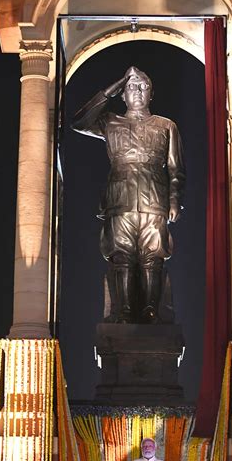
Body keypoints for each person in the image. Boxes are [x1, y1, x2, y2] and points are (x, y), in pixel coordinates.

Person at [71, 66, 185, 324]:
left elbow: (177, 167)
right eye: (132, 86)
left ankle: (150, 310)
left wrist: (175, 199)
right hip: (119, 197)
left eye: (144, 86)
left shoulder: (166, 126)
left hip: (154, 197)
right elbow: (79, 121)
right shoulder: (110, 122)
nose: (138, 91)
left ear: (151, 94)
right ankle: (122, 311)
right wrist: (113, 86)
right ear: (122, 94)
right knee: (121, 255)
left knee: (152, 256)